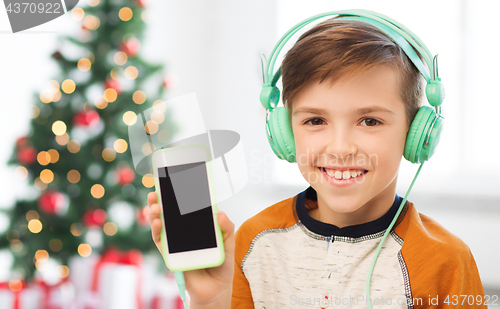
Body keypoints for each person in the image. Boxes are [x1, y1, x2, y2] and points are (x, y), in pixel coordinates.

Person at [148, 12, 486, 309]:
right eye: (315, 121)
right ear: (284, 132)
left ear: (417, 134)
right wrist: (210, 302)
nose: (340, 148)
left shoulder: (445, 261)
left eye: (370, 121)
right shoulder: (255, 242)